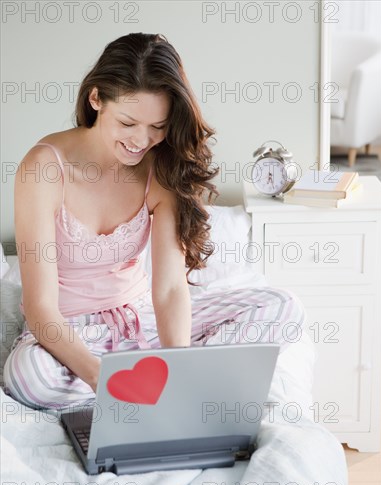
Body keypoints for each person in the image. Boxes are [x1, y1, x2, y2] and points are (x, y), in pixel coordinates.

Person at [4, 33, 305, 410]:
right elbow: (40, 307)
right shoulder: (44, 168)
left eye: (157, 126)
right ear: (96, 99)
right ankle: (157, 383)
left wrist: (176, 367)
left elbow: (169, 291)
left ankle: (169, 378)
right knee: (29, 378)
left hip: (140, 323)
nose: (141, 140)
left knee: (283, 307)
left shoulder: (160, 170)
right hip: (67, 333)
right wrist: (101, 376)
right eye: (128, 122)